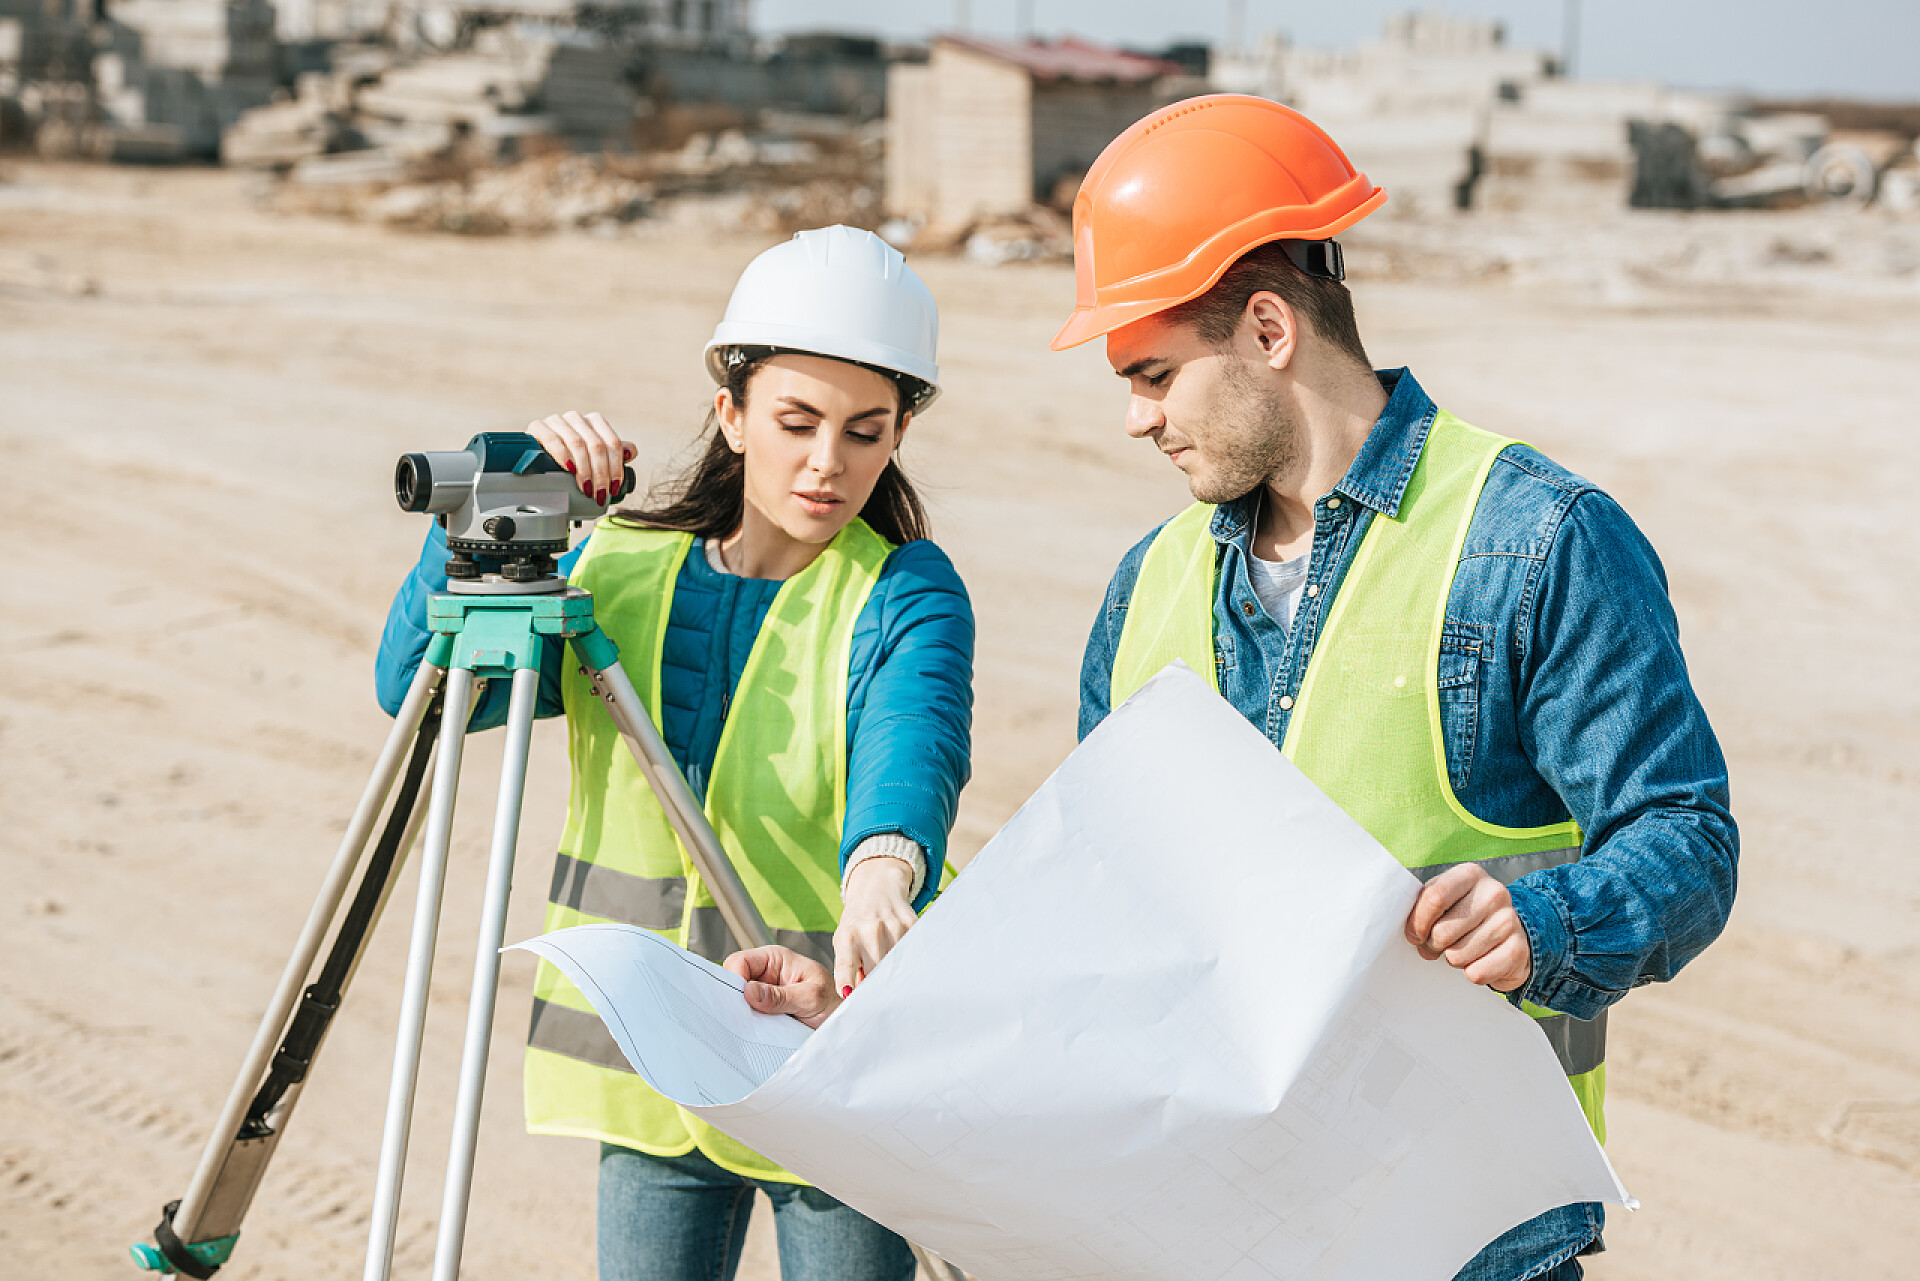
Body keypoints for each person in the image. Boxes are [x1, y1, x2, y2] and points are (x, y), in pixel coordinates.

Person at [742, 96, 1738, 1281]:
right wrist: (878, 1012)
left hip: (1463, 1240)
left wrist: (1541, 926)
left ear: (1268, 328)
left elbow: (1687, 841)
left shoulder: (1535, 540)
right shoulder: (1149, 584)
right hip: (1214, 1230)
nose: (1133, 419)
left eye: (1153, 372)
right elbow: (1094, 921)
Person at [375, 224, 973, 1281]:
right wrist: (493, 512)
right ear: (730, 414)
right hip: (652, 1060)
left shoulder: (906, 588)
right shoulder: (615, 564)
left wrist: (888, 866)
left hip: (825, 1039)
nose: (828, 463)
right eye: (796, 421)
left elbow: (913, 740)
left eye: (866, 431)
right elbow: (417, 693)